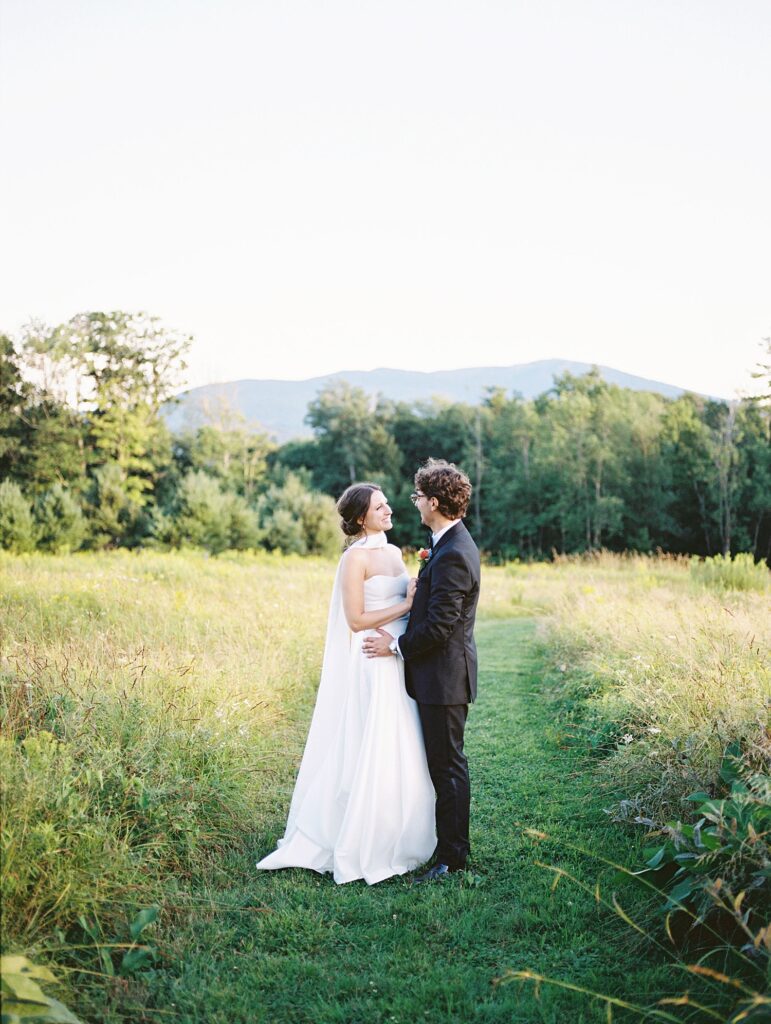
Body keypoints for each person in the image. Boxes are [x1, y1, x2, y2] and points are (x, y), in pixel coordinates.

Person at [255, 483, 436, 885]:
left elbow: (403, 602)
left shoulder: (392, 551)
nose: (389, 510)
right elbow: (355, 620)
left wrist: (414, 604)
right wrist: (406, 605)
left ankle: (398, 828)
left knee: (400, 740)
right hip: (373, 657)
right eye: (379, 506)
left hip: (398, 653)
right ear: (359, 518)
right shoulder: (354, 560)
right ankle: (357, 834)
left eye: (387, 503)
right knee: (369, 740)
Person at [362, 459, 480, 882]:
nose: (413, 503)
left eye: (416, 497)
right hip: (437, 677)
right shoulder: (446, 543)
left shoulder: (455, 553)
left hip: (446, 679)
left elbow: (439, 627)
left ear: (433, 501)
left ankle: (453, 858)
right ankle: (444, 848)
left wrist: (394, 644)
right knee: (441, 764)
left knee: (448, 767)